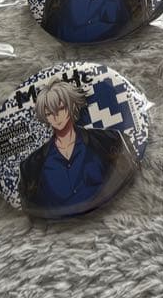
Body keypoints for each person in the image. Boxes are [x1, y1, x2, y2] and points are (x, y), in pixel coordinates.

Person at [18, 79, 137, 218]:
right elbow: (30, 208)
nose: (56, 117)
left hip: (113, 216)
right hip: (57, 228)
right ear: (45, 117)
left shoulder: (107, 140)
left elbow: (129, 175)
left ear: (72, 106)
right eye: (49, 113)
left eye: (60, 108)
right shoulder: (31, 166)